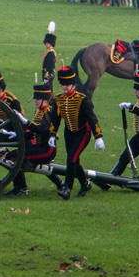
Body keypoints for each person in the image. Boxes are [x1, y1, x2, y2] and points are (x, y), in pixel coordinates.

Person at [51, 66, 104, 200]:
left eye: (67, 84)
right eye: (62, 84)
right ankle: (85, 183)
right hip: (68, 132)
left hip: (83, 133)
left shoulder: (82, 99)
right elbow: (55, 120)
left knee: (71, 159)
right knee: (74, 160)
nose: (64, 87)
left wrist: (98, 137)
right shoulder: (58, 100)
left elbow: (92, 119)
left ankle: (67, 187)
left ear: (73, 85)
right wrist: (52, 134)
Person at [6, 82, 59, 196]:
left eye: (38, 98)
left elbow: (43, 130)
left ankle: (21, 188)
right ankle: (61, 184)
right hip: (40, 147)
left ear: (45, 99)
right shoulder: (40, 111)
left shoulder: (48, 112)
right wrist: (17, 134)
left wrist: (26, 123)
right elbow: (34, 133)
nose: (35, 100)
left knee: (14, 157)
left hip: (47, 150)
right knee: (14, 155)